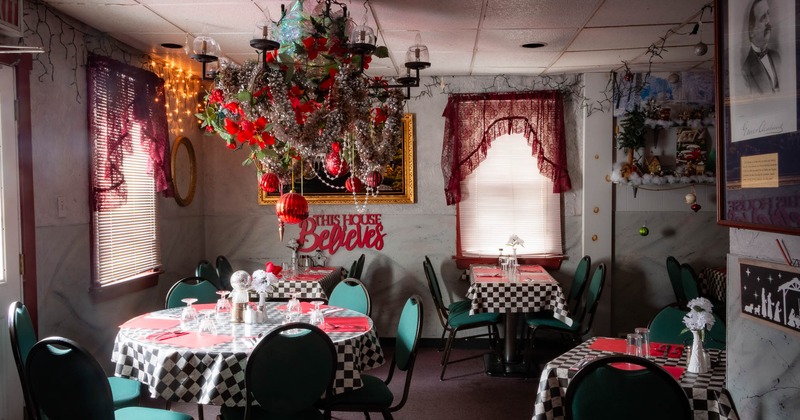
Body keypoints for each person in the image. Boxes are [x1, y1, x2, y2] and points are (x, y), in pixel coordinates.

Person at [742, 0, 780, 94]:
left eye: (768, 14)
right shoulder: (745, 71)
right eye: (763, 17)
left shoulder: (777, 57)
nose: (768, 21)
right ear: (751, 30)